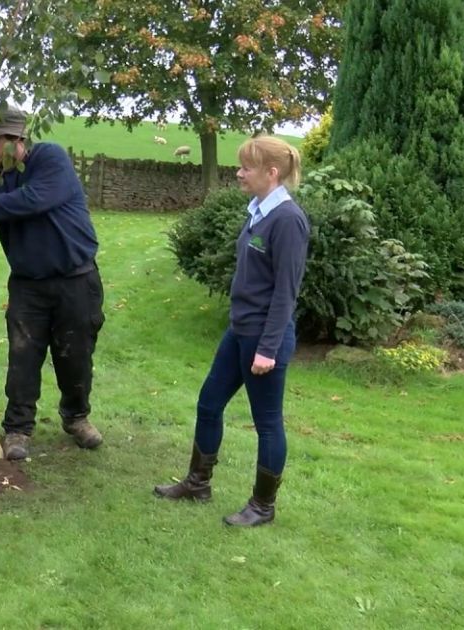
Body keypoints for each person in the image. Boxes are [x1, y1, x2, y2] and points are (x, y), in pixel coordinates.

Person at [153, 135, 308, 527]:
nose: (238, 173)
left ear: (271, 173)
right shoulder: (258, 210)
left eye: (246, 168)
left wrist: (268, 349)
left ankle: (263, 507)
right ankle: (197, 484)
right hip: (239, 330)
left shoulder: (288, 220)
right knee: (209, 403)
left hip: (263, 339)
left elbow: (286, 292)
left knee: (267, 422)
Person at [0, 106, 105, 461]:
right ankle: (17, 430)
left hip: (77, 279)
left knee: (75, 356)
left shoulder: (50, 160)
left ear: (18, 139)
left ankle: (76, 418)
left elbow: (33, 201)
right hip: (28, 286)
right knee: (23, 357)